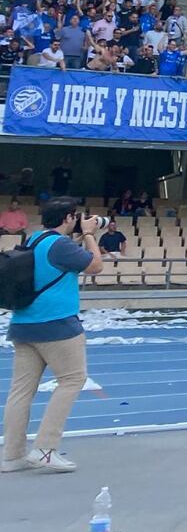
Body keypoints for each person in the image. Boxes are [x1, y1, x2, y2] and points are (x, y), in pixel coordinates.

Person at [2, 197, 106, 474]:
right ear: (69, 217)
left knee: (21, 390)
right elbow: (95, 266)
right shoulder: (59, 245)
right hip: (56, 324)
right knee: (72, 380)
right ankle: (45, 448)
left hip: (24, 324)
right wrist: (89, 234)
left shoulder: (34, 239)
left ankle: (12, 455)